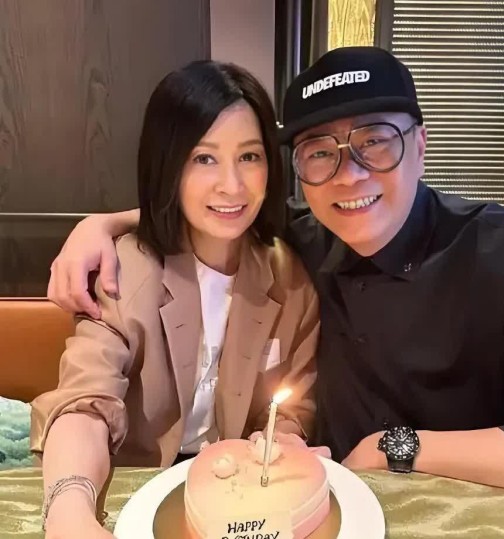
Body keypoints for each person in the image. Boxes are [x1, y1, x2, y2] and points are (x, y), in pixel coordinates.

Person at [47, 47, 504, 507]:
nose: (350, 176)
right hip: (327, 503)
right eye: (319, 153)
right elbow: (217, 213)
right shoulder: (300, 244)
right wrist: (100, 225)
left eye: (375, 141)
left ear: (420, 144)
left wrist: (398, 447)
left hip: (468, 508)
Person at [30, 60, 320, 538]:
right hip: (133, 490)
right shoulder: (125, 271)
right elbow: (85, 404)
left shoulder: (290, 279)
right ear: (168, 164)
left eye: (249, 156)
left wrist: (281, 444)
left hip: (234, 502)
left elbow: (290, 409)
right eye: (204, 158)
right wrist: (69, 508)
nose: (232, 185)